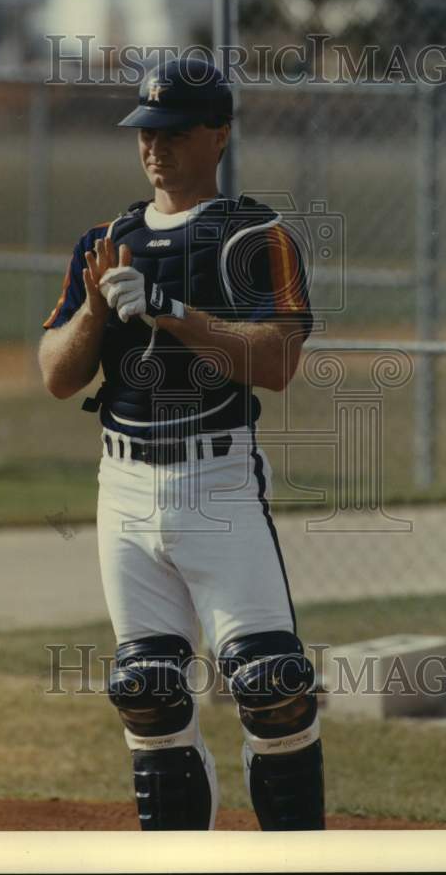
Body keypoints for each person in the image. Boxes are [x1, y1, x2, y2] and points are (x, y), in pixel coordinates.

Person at [38, 55, 324, 831]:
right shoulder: (106, 241)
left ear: (219, 134)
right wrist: (99, 310)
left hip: (218, 487)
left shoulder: (256, 238)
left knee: (272, 687)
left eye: (173, 129)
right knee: (149, 692)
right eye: (145, 131)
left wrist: (169, 309)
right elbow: (58, 376)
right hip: (123, 489)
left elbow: (276, 364)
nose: (153, 146)